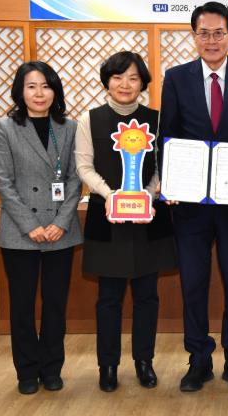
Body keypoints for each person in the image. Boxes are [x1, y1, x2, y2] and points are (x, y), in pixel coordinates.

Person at [159, 1, 228, 392]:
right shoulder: (176, 78)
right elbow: (168, 136)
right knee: (193, 283)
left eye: (218, 33)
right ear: (194, 36)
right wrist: (169, 182)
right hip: (190, 205)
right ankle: (199, 360)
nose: (211, 40)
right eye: (203, 33)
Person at [75, 51, 176, 392]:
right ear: (107, 81)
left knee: (148, 296)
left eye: (133, 78)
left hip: (149, 218)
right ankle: (108, 365)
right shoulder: (90, 120)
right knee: (108, 297)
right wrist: (111, 196)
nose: (125, 84)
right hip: (107, 217)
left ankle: (144, 361)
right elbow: (84, 166)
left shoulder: (156, 120)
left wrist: (146, 194)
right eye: (118, 77)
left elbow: (163, 164)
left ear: (143, 84)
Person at [0, 61, 82, 395]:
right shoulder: (6, 127)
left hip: (61, 231)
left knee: (56, 304)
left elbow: (75, 179)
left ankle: (52, 368)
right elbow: (3, 181)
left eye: (46, 86)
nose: (39, 93)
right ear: (20, 91)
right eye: (31, 86)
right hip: (20, 233)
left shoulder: (69, 127)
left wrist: (60, 222)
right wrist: (30, 225)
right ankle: (27, 371)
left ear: (55, 90)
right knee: (22, 305)